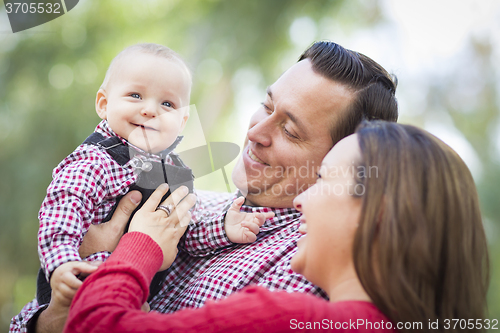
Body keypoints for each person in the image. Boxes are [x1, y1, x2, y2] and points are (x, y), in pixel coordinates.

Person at [11, 41, 398, 332]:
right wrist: (49, 314)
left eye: (290, 131)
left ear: (343, 156)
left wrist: (133, 248)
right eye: (266, 105)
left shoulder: (306, 269)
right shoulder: (198, 203)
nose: (256, 131)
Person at [64, 121, 490, 333]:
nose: (302, 199)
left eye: (323, 180)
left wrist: (139, 243)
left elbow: (95, 324)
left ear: (376, 216)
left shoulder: (285, 317)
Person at [11, 43, 273, 332]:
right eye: (135, 95)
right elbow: (62, 213)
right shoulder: (96, 160)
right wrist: (62, 264)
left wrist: (223, 228)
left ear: (182, 121)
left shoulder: (177, 174)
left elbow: (182, 232)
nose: (150, 110)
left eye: (167, 104)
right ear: (103, 103)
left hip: (130, 304)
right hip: (78, 286)